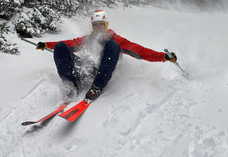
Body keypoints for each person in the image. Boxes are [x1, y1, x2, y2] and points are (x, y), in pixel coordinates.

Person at [35, 10, 177, 102]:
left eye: (100, 25)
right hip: (85, 70)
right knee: (60, 46)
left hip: (102, 72)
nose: (97, 27)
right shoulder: (88, 38)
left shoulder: (116, 39)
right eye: (95, 25)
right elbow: (69, 43)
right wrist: (46, 45)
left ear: (105, 25)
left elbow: (140, 51)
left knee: (113, 45)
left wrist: (163, 57)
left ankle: (97, 87)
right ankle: (72, 86)